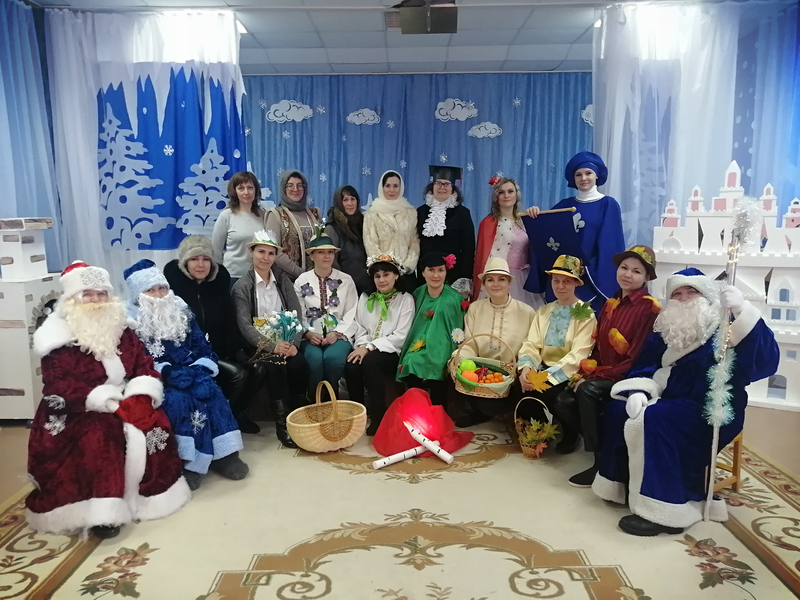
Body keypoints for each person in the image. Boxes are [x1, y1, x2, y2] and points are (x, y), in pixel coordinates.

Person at [593, 268, 779, 536]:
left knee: (658, 419)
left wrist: (743, 313)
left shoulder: (725, 326)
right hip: (667, 397)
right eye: (677, 294)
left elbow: (764, 363)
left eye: (691, 292)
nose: (683, 299)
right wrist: (638, 391)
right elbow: (644, 365)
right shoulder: (665, 329)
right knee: (617, 409)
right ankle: (622, 483)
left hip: (710, 405)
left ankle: (663, 507)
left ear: (706, 296)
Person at [27, 261, 190, 539]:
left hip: (125, 395)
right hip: (76, 407)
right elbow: (59, 384)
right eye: (88, 294)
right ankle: (101, 512)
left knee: (155, 423)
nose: (96, 300)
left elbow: (143, 364)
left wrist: (141, 395)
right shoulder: (56, 337)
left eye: (101, 294)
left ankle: (150, 498)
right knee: (101, 434)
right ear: (72, 299)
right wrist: (109, 403)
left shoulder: (123, 329)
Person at [124, 260, 249, 491]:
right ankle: (186, 462)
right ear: (138, 295)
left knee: (212, 393)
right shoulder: (131, 323)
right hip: (159, 378)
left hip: (193, 370)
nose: (159, 295)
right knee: (179, 401)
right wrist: (167, 372)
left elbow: (202, 347)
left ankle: (225, 455)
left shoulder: (182, 312)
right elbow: (135, 361)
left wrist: (201, 369)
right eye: (151, 290)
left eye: (162, 288)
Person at [558, 246, 661, 488]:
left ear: (647, 277)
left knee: (587, 391)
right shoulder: (611, 303)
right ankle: (607, 449)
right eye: (624, 267)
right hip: (605, 373)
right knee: (563, 400)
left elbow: (635, 359)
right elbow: (598, 347)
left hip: (631, 376)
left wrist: (594, 377)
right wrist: (585, 372)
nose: (628, 274)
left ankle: (601, 464)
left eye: (636, 271)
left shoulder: (649, 308)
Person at [164, 235, 255, 434]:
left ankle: (236, 414)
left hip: (219, 351)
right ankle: (221, 418)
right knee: (238, 375)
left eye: (206, 259)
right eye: (194, 259)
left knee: (258, 368)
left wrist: (238, 350)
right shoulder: (173, 292)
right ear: (184, 263)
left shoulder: (219, 286)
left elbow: (230, 322)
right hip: (190, 357)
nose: (201, 264)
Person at [232, 230, 310, 448]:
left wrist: (294, 344)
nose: (265, 258)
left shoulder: (283, 281)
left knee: (299, 364)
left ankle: (299, 417)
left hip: (287, 341)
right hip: (258, 345)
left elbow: (296, 313)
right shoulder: (242, 287)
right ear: (251, 253)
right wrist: (272, 346)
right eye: (261, 252)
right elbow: (245, 326)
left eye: (271, 253)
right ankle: (282, 426)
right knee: (276, 366)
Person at [525, 152, 624, 312]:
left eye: (588, 173)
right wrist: (535, 215)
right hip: (563, 279)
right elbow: (546, 238)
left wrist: (585, 269)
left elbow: (610, 246)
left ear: (597, 175)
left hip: (590, 280)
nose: (583, 178)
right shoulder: (563, 206)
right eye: (578, 174)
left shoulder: (607, 204)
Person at [517, 255, 597, 453]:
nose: (560, 286)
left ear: (576, 283)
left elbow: (578, 355)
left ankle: (570, 432)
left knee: (552, 394)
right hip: (541, 368)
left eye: (566, 281)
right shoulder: (544, 311)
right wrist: (526, 368)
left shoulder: (585, 315)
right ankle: (539, 430)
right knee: (520, 387)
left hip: (569, 373)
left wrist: (546, 377)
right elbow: (532, 344)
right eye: (556, 281)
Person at [454, 257, 537, 428]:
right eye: (490, 280)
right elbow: (469, 343)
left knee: (508, 398)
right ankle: (478, 412)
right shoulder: (475, 308)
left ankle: (517, 417)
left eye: (501, 279)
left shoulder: (527, 312)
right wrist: (458, 360)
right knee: (456, 368)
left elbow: (531, 346)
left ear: (509, 283)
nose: (496, 284)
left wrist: (524, 367)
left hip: (511, 375)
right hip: (481, 373)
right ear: (484, 284)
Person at [345, 254, 415, 436]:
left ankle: (378, 416)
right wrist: (362, 346)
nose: (381, 280)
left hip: (392, 351)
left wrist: (369, 348)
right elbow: (359, 326)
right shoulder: (366, 297)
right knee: (352, 364)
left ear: (396, 275)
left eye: (386, 275)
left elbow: (401, 335)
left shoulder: (405, 299)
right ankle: (358, 413)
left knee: (371, 362)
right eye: (377, 276)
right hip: (366, 347)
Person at [396, 253, 466, 406]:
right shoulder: (418, 294)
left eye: (440, 270)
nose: (436, 275)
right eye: (431, 270)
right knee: (412, 362)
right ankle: (416, 410)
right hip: (419, 342)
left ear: (446, 272)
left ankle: (438, 413)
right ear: (422, 272)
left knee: (438, 363)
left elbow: (457, 331)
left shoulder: (454, 299)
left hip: (443, 344)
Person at [294, 233, 358, 396]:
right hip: (310, 335)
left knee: (334, 359)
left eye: (330, 252)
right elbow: (298, 313)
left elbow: (351, 312)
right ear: (312, 255)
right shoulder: (301, 280)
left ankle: (331, 394)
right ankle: (314, 396)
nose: (326, 256)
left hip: (339, 333)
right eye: (321, 252)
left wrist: (337, 333)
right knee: (314, 360)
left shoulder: (346, 280)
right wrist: (308, 333)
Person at [473, 177, 543, 307]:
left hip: (522, 279)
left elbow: (537, 247)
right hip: (499, 278)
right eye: (501, 192)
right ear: (496, 197)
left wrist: (535, 217)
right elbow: (482, 256)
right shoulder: (488, 223)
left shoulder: (524, 220)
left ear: (517, 195)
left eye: (510, 191)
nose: (506, 195)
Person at [417, 165, 475, 285]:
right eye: (438, 183)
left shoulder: (463, 213)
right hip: (425, 275)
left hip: (454, 276)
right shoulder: (420, 212)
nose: (442, 187)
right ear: (432, 186)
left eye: (447, 184)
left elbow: (468, 249)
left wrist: (464, 279)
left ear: (452, 188)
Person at [363, 170, 419, 290]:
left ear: (401, 187)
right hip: (382, 275)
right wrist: (384, 267)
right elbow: (370, 243)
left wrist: (406, 266)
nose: (392, 190)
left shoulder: (410, 212)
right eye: (388, 186)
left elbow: (414, 243)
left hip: (405, 274)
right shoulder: (372, 213)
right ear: (382, 187)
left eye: (395, 186)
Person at [211, 171, 266, 285]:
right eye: (241, 188)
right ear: (234, 191)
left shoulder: (264, 215)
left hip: (259, 276)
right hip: (233, 277)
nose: (246, 192)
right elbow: (216, 249)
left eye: (250, 187)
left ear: (256, 190)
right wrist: (219, 276)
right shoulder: (226, 216)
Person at [265, 169, 321, 279]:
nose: (295, 189)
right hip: (287, 280)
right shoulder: (275, 214)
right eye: (290, 185)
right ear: (283, 188)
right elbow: (274, 251)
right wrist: (301, 274)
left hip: (316, 278)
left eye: (299, 185)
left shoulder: (314, 214)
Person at [325, 185, 370, 295]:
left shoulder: (365, 223)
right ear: (339, 202)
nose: (350, 203)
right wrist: (344, 284)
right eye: (345, 200)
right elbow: (331, 262)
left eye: (352, 199)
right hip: (345, 289)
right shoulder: (332, 228)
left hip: (368, 288)